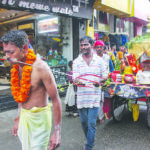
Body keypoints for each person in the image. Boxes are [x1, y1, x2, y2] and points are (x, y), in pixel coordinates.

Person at [1, 30, 62, 150]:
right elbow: (20, 95)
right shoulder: (16, 66)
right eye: (5, 52)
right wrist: (18, 118)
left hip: (40, 121)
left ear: (24, 48)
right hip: (24, 117)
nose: (7, 57)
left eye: (11, 52)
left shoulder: (41, 68)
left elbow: (55, 100)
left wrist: (57, 133)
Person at [73, 36, 107, 150]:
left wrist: (100, 82)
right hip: (82, 99)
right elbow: (75, 78)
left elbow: (104, 77)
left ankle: (89, 146)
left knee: (91, 123)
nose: (83, 47)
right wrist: (79, 82)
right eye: (82, 45)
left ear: (91, 45)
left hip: (94, 98)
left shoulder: (100, 61)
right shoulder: (76, 61)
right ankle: (89, 139)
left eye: (86, 44)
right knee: (84, 123)